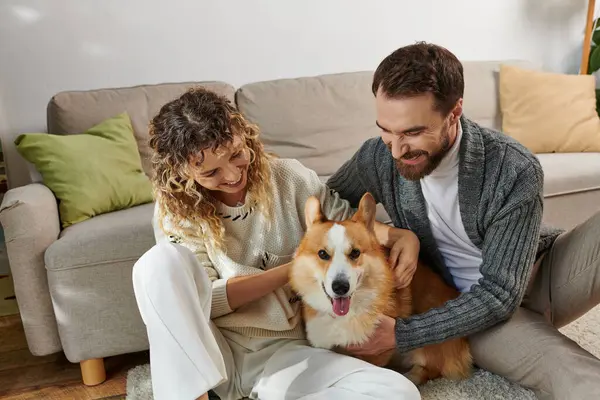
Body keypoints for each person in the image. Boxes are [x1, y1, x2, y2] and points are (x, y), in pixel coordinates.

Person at [328, 42, 600, 400]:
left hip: (540, 276)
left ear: (454, 112)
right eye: (386, 130)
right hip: (474, 314)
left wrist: (402, 333)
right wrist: (393, 233)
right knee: (570, 372)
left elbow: (502, 292)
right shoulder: (377, 157)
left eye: (412, 132)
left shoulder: (513, 168)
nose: (395, 149)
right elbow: (327, 205)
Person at [131, 87, 422, 400]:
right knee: (157, 263)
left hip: (283, 355)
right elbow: (207, 301)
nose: (231, 175)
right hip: (209, 352)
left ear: (246, 135)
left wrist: (400, 236)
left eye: (236, 154)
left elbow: (344, 225)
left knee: (398, 392)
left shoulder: (289, 178)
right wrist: (292, 271)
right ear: (183, 172)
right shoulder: (175, 210)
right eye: (211, 172)